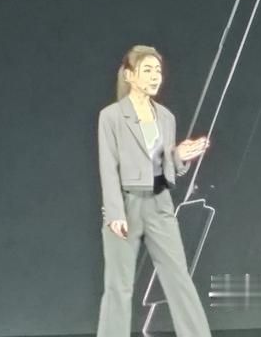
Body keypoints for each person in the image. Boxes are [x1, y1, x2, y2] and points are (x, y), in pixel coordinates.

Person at [96, 45, 212, 337]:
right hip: (127, 204)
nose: (155, 76)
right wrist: (115, 212)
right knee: (119, 286)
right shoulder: (111, 116)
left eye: (158, 70)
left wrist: (180, 155)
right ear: (129, 75)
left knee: (179, 278)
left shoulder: (166, 117)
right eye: (147, 70)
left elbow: (165, 166)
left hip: (160, 202)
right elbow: (108, 167)